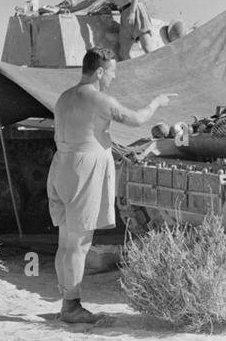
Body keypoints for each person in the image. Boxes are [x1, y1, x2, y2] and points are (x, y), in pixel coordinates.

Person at [48, 47, 176, 324]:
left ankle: (66, 301)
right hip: (83, 171)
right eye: (112, 73)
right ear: (100, 71)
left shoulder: (64, 97)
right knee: (79, 245)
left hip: (62, 166)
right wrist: (157, 102)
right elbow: (137, 119)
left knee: (66, 242)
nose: (113, 79)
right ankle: (71, 307)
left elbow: (86, 133)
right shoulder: (98, 99)